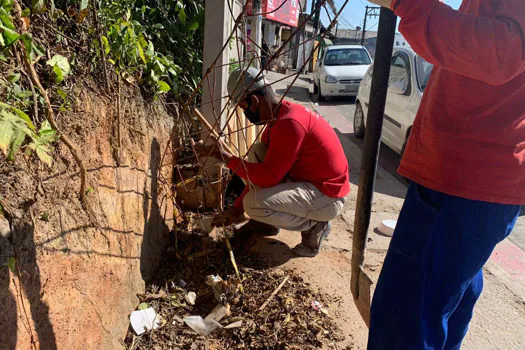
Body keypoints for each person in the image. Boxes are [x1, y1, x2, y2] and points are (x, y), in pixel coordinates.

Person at [365, 0, 525, 349]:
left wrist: (403, 3)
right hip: (472, 177)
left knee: (406, 321)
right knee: (439, 306)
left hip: (465, 177)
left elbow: (503, 51)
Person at [199, 67, 350, 257]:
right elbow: (259, 178)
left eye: (243, 108)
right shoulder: (279, 118)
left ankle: (316, 226)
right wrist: (235, 209)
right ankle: (266, 223)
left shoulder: (290, 124)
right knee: (258, 153)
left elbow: (267, 177)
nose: (244, 113)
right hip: (312, 183)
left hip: (328, 197)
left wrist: (225, 158)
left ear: (254, 101)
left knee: (253, 204)